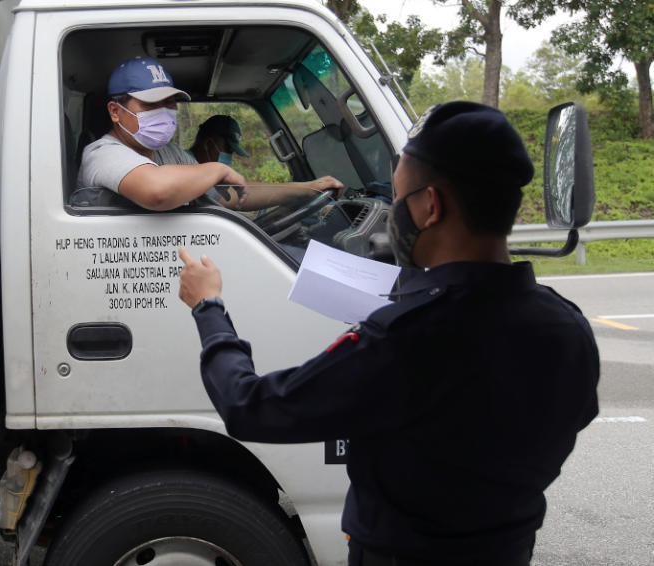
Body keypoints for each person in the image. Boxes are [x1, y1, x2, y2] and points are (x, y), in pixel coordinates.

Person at [177, 101, 600, 565]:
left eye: (398, 200)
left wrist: (208, 306)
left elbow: (249, 407)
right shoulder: (568, 327)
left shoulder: (407, 340)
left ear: (430, 206)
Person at [76, 57, 247, 211]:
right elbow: (158, 192)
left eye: (169, 103)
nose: (163, 112)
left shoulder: (170, 153)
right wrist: (219, 170)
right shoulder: (101, 154)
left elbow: (222, 197)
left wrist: (270, 192)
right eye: (150, 104)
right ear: (115, 111)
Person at [156, 114, 344, 211]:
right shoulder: (185, 164)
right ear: (208, 144)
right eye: (228, 149)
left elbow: (237, 191)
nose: (230, 156)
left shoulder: (198, 168)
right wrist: (308, 188)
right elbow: (235, 196)